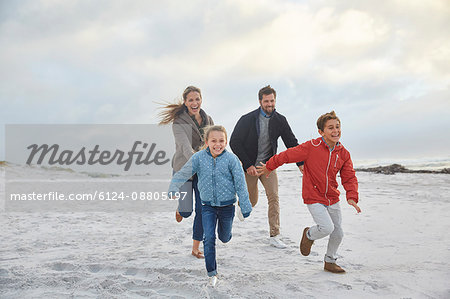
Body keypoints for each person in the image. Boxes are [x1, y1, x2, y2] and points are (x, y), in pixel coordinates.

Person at [256, 111, 361, 273]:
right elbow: (287, 155)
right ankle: (309, 235)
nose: (335, 131)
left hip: (332, 197)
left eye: (338, 127)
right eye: (331, 128)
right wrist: (270, 166)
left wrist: (352, 196)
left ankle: (330, 261)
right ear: (321, 132)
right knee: (327, 227)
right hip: (313, 196)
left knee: (338, 232)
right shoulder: (312, 147)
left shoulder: (343, 153)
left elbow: (349, 176)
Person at [168, 125, 252, 286]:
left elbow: (241, 184)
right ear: (207, 142)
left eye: (221, 141)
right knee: (209, 238)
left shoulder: (232, 160)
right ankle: (212, 274)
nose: (217, 144)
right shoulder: (199, 158)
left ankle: (226, 235)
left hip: (228, 207)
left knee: (224, 237)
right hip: (207, 206)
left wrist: (245, 205)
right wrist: (173, 187)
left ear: (226, 142)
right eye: (213, 141)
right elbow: (184, 173)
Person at [230, 85, 302, 248]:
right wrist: (248, 165)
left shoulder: (280, 120)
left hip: (268, 166)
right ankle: (242, 205)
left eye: (272, 101)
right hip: (250, 166)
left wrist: (301, 163)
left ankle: (274, 235)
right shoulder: (247, 119)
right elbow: (234, 141)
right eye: (266, 101)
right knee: (251, 201)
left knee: (274, 197)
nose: (270, 104)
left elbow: (291, 142)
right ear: (260, 101)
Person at [158, 86, 214, 259]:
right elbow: (185, 147)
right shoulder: (178, 123)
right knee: (187, 211)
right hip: (184, 169)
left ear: (201, 100)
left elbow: (212, 142)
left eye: (197, 99)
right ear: (185, 102)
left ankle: (196, 248)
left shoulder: (208, 119)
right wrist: (200, 161)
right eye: (191, 100)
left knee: (202, 209)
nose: (194, 103)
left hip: (202, 171)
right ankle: (180, 210)